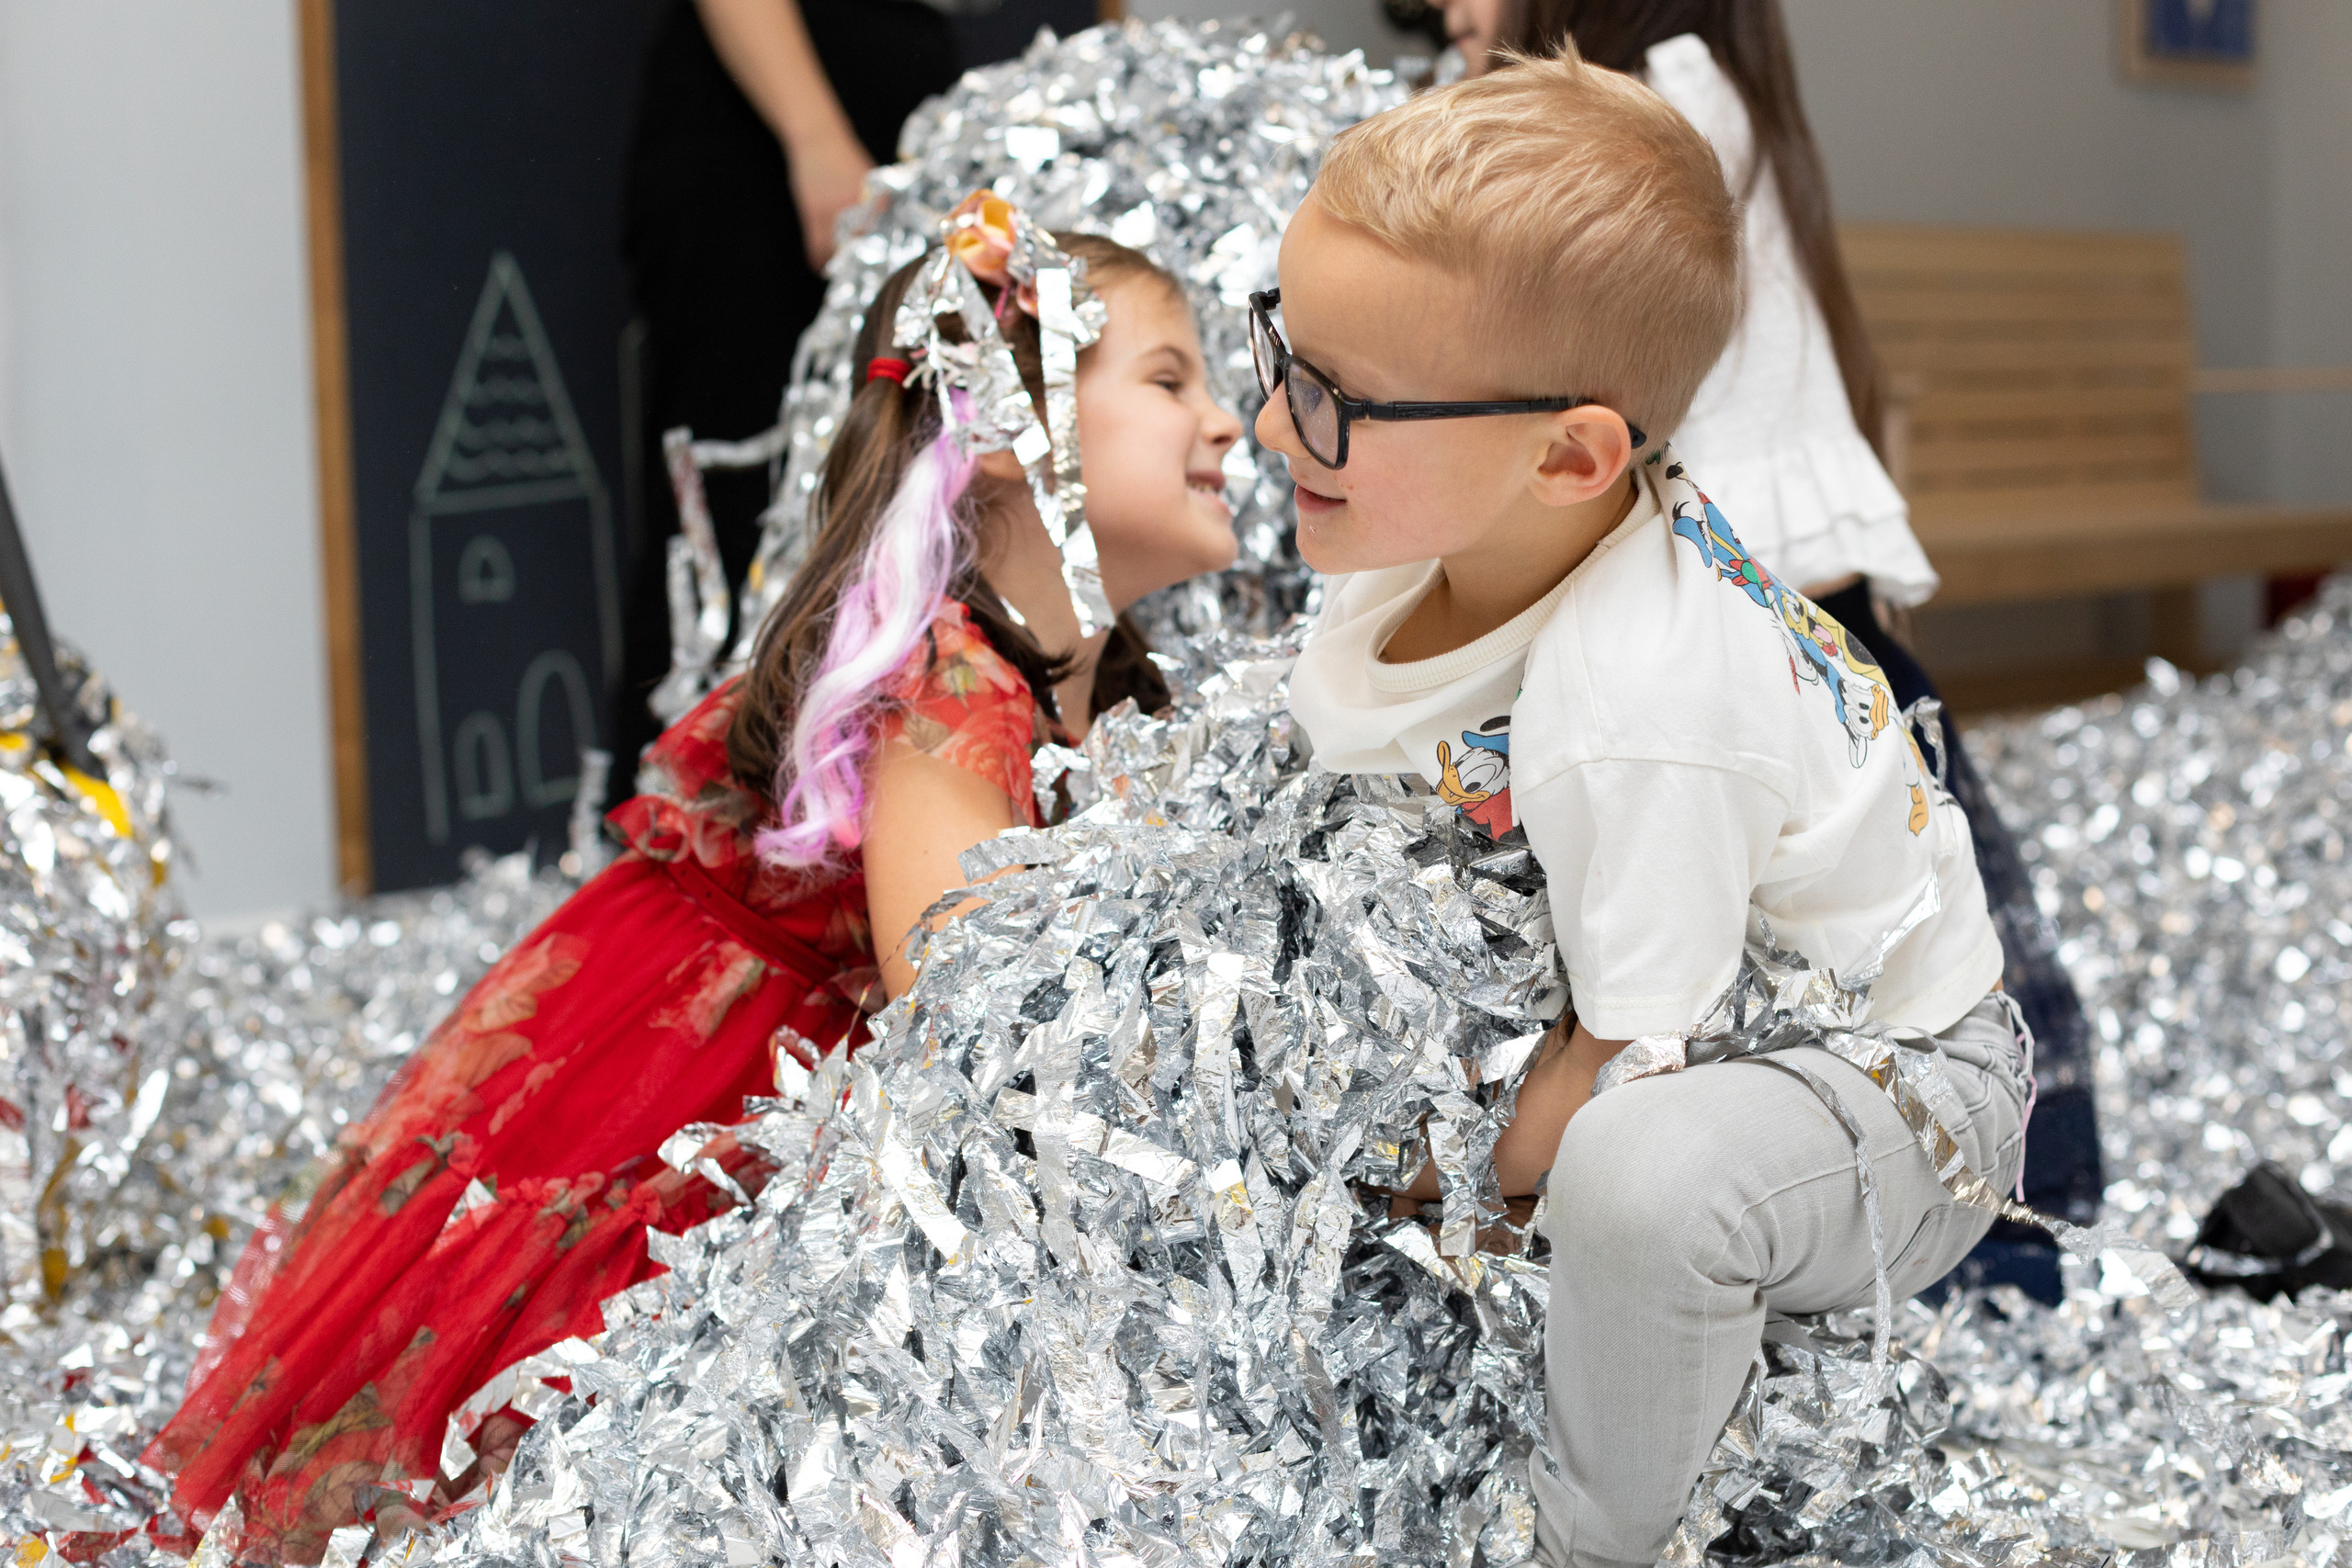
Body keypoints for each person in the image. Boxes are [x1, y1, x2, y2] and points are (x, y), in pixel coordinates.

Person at [142, 217, 1244, 1562]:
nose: (1231, 421)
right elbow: (979, 1017)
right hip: (687, 1086)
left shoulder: (1088, 680)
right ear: (1006, 431)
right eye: (1173, 379)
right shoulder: (953, 686)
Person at [1263, 52, 2029, 1566]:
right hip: (1699, 969)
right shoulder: (1448, 538)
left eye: (1340, 404)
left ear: (1572, 455)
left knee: (1639, 1180)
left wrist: (1446, 1196)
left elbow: (1623, 1060)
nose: (1282, 433)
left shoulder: (1642, 705)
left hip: (1901, 1083)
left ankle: (1599, 1536)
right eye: (1284, 361)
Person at [1437, 0, 2105, 1296]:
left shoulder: (1648, 111)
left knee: (1879, 966)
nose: (1450, 12)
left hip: (1761, 635)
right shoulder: (1682, 91)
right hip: (1777, 623)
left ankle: (1984, 1246)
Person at [614, 0, 964, 773]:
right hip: (772, 145)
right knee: (732, 516)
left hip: (885, 126)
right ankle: (669, 829)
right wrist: (814, 137)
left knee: (879, 505)